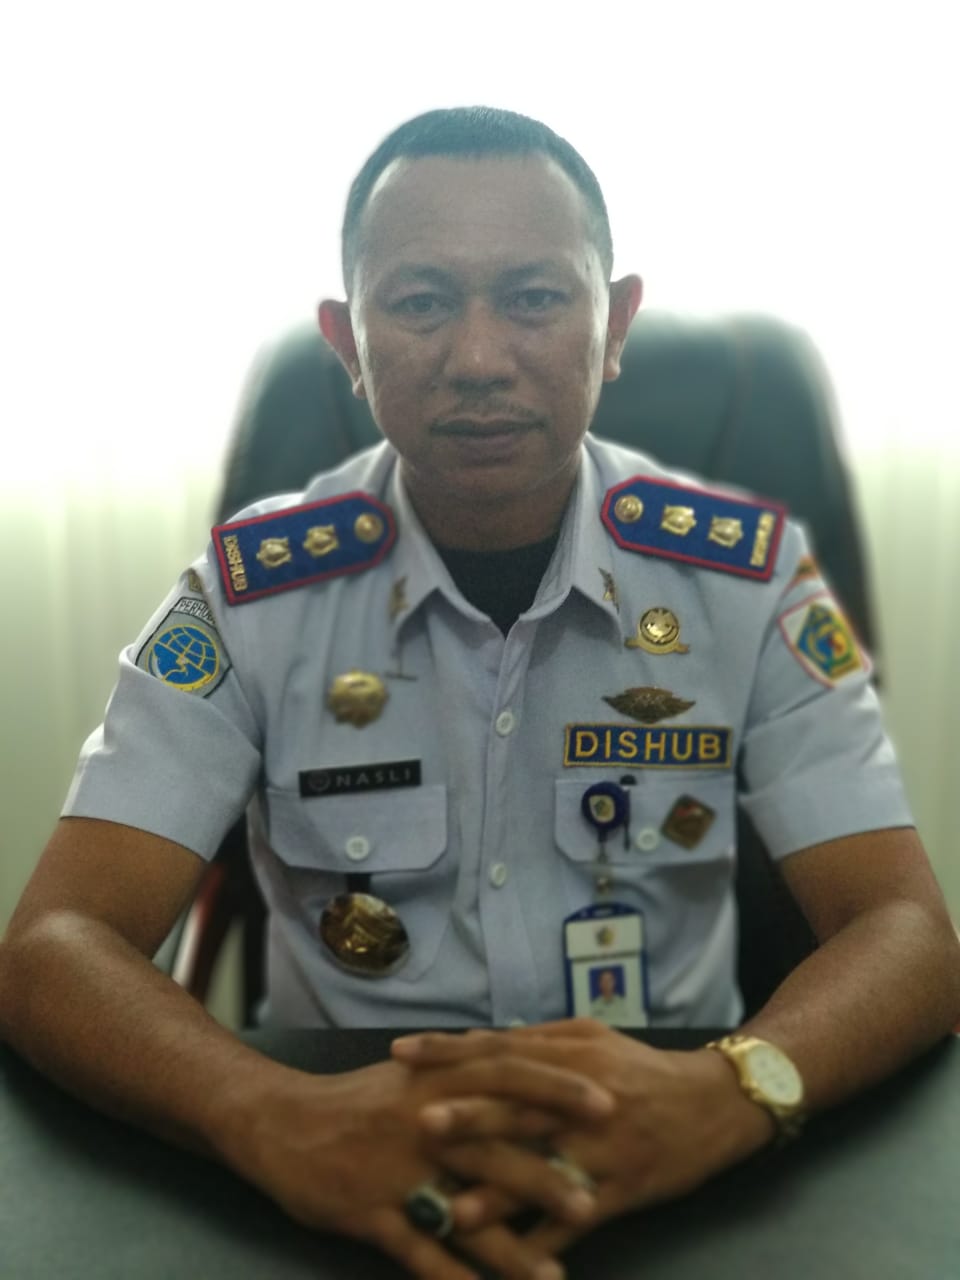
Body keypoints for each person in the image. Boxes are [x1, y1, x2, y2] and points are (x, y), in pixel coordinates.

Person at [2, 105, 959, 1280]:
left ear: (616, 325)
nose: (478, 357)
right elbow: (54, 941)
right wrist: (267, 1110)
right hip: (337, 1158)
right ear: (346, 341)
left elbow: (906, 930)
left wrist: (732, 1091)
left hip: (669, 1155)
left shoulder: (745, 580)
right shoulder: (254, 593)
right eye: (419, 302)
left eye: (534, 297)